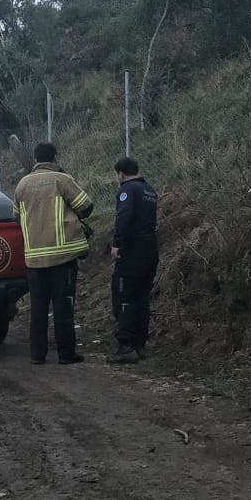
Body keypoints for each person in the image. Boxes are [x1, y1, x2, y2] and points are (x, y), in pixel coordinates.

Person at [12, 141, 94, 365]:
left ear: (36, 159)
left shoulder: (22, 185)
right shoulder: (61, 180)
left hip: (34, 259)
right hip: (62, 257)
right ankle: (66, 354)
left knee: (38, 308)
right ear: (55, 158)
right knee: (62, 306)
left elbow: (16, 216)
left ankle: (37, 355)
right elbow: (86, 206)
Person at [109, 155, 159, 363]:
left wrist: (117, 243)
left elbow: (124, 217)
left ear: (121, 173)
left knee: (124, 297)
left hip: (132, 252)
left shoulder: (127, 190)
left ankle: (126, 346)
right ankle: (140, 344)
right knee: (141, 298)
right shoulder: (149, 190)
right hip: (150, 250)